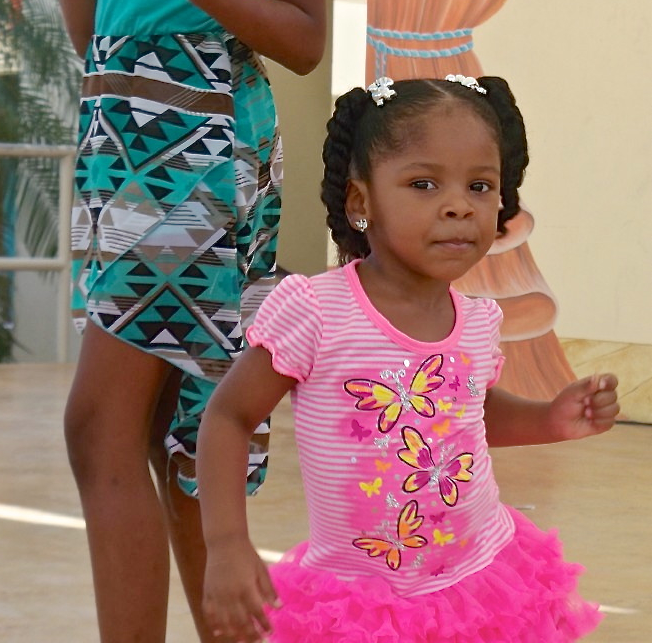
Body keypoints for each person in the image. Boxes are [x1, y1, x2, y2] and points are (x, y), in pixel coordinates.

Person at [40, 0, 325, 640]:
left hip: (192, 154)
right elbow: (98, 37)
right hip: (128, 142)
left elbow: (301, 34)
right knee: (173, 440)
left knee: (100, 425)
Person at [196, 73, 620, 643]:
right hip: (360, 602)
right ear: (361, 202)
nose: (457, 208)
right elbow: (228, 419)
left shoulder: (476, 320)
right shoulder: (317, 311)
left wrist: (548, 419)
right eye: (424, 184)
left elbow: (465, 416)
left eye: (479, 186)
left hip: (480, 579)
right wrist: (226, 545)